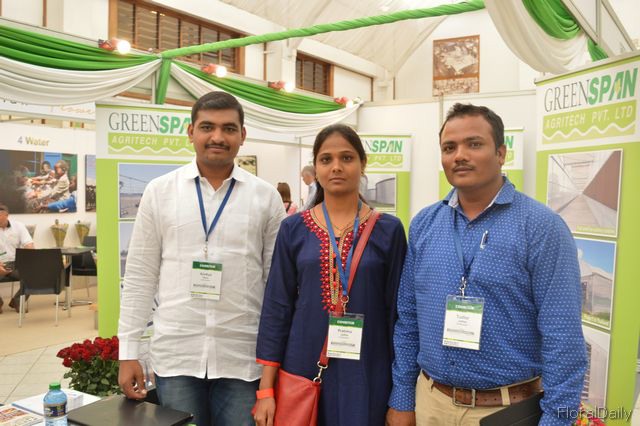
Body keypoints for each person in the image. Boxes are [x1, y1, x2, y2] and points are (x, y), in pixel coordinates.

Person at [387, 103, 586, 425]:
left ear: (501, 153)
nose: (459, 155)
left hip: (506, 411)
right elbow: (408, 320)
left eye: (474, 144)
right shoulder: (425, 223)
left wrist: (557, 420)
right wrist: (403, 399)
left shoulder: (541, 227)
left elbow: (562, 336)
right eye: (449, 148)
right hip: (431, 404)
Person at [117, 91, 286, 426]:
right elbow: (139, 276)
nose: (218, 137)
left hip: (242, 357)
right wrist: (128, 352)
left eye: (229, 128)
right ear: (190, 131)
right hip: (177, 354)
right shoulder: (160, 192)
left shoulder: (265, 198)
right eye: (207, 127)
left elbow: (275, 286)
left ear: (242, 135)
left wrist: (273, 364)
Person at [254, 124, 407, 426]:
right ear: (317, 167)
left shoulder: (388, 230)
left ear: (362, 164)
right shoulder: (293, 229)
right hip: (304, 367)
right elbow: (276, 308)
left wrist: (401, 393)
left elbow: (399, 315)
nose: (336, 167)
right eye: (326, 159)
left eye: (346, 158)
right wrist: (266, 390)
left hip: (368, 369)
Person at [0, 204, 35, 313]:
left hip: (17, 263)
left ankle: (17, 301)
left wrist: (28, 261)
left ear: (6, 215)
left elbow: (29, 244)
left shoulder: (18, 226)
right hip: (1, 263)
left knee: (33, 275)